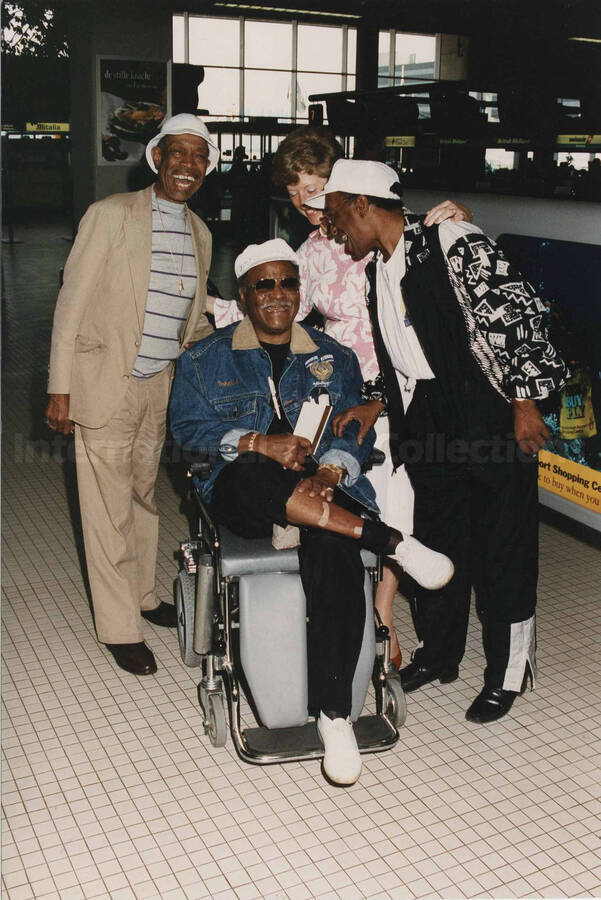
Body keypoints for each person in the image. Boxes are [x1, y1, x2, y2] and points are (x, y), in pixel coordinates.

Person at [169, 238, 453, 785]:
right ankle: (390, 541)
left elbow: (352, 428)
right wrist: (255, 442)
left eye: (288, 283)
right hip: (242, 488)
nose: (278, 294)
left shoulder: (334, 356)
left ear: (301, 291)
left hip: (319, 495)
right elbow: (186, 436)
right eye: (264, 284)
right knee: (254, 474)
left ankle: (335, 717)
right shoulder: (204, 360)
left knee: (335, 551)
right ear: (245, 295)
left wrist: (329, 471)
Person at [305, 159, 569, 723]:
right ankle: (441, 652)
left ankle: (509, 672)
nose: (331, 230)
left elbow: (520, 321)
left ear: (361, 205)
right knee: (439, 534)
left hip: (486, 408)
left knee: (504, 542)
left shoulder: (452, 239)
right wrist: (377, 396)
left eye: (334, 218)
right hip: (426, 415)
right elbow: (403, 350)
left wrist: (524, 402)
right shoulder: (379, 263)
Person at [211, 126, 471, 669]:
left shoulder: (375, 225)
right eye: (296, 194)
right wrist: (214, 310)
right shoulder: (307, 251)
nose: (308, 204)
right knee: (349, 481)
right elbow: (279, 302)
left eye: (316, 188)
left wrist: (454, 216)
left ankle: (385, 615)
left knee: (402, 493)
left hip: (400, 379)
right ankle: (361, 605)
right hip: (340, 382)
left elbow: (429, 247)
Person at [45, 114, 219, 677]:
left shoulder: (202, 235)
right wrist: (59, 388)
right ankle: (120, 627)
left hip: (158, 388)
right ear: (157, 158)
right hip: (104, 382)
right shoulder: (110, 215)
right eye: (178, 153)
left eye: (199, 156)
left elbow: (190, 327)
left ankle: (144, 594)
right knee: (105, 509)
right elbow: (70, 305)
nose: (187, 165)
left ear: (207, 167)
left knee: (144, 498)